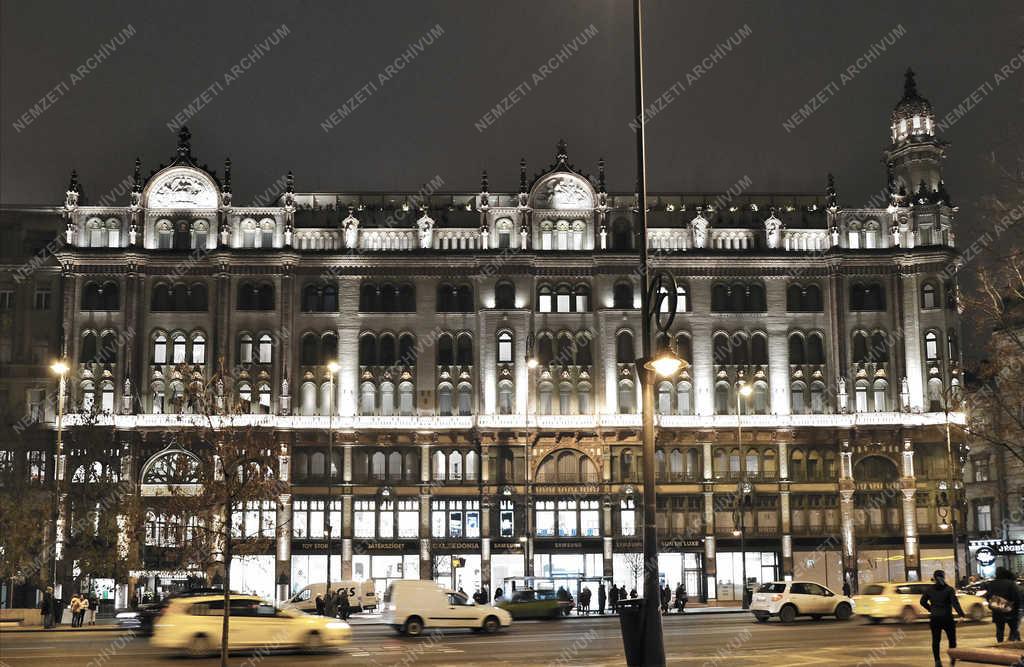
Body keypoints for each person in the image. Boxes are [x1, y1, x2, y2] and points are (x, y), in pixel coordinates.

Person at [920, 569, 964, 667]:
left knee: (936, 640)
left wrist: (931, 609)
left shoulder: (929, 590)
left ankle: (937, 661)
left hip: (935, 618)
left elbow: (922, 601)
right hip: (947, 618)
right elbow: (955, 603)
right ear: (944, 577)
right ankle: (952, 661)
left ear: (934, 578)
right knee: (952, 640)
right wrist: (961, 614)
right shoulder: (949, 589)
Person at [981, 566, 1021, 643]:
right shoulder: (1011, 583)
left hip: (997, 610)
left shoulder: (992, 584)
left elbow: (988, 596)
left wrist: (994, 604)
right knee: (1013, 628)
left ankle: (1000, 644)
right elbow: (1016, 597)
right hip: (1010, 609)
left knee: (999, 629)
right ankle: (1016, 643)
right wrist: (1016, 607)